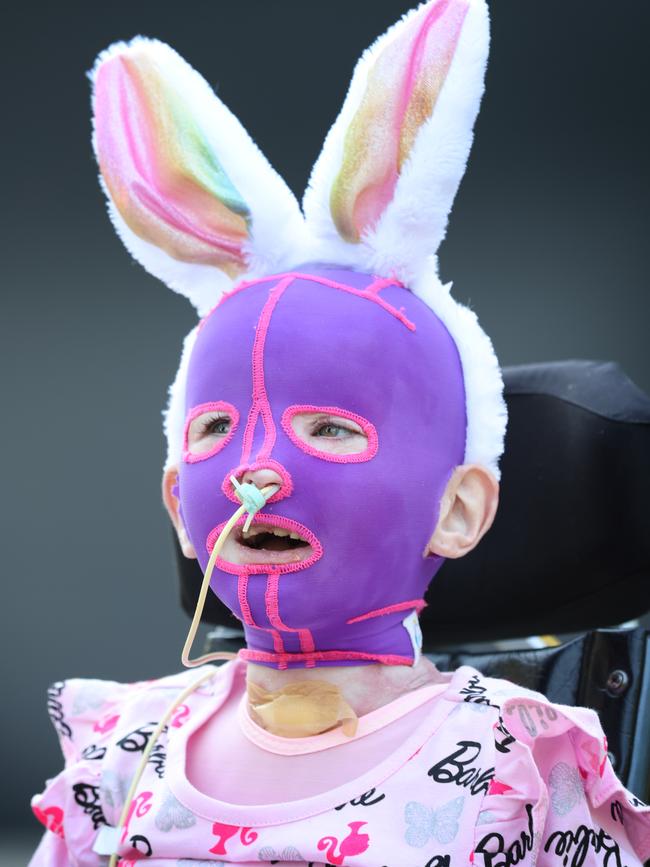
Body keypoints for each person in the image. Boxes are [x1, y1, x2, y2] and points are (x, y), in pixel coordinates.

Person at [29, 1, 650, 864]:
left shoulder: (525, 770)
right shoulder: (121, 756)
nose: (256, 473)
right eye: (214, 429)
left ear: (459, 508)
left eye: (327, 428)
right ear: (178, 499)